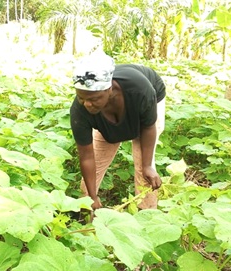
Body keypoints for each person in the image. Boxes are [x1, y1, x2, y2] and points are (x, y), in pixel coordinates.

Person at [70, 53, 166, 210]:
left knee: (143, 167)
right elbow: (87, 157)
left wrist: (147, 165)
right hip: (110, 117)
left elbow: (149, 127)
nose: (87, 104)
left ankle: (146, 215)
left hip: (143, 109)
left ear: (109, 89)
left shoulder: (140, 90)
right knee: (97, 161)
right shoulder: (80, 111)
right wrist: (92, 198)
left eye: (94, 99)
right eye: (81, 98)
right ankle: (87, 213)